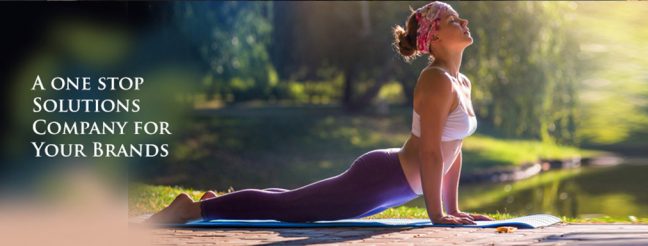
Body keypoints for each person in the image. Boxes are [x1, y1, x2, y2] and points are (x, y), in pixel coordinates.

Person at [146, 1, 492, 225]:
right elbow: (431, 152)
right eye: (451, 19)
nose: (463, 20)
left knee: (297, 202)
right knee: (293, 211)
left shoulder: (461, 81)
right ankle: (192, 209)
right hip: (381, 179)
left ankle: (218, 204)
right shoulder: (435, 80)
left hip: (394, 187)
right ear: (434, 39)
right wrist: (438, 215)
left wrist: (453, 209)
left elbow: (452, 152)